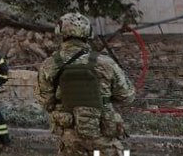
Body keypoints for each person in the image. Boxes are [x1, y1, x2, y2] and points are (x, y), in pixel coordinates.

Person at [37, 13, 134, 156]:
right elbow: (127, 97)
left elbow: (46, 102)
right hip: (104, 136)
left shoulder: (49, 65)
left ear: (60, 33)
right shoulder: (106, 63)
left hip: (70, 138)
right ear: (88, 34)